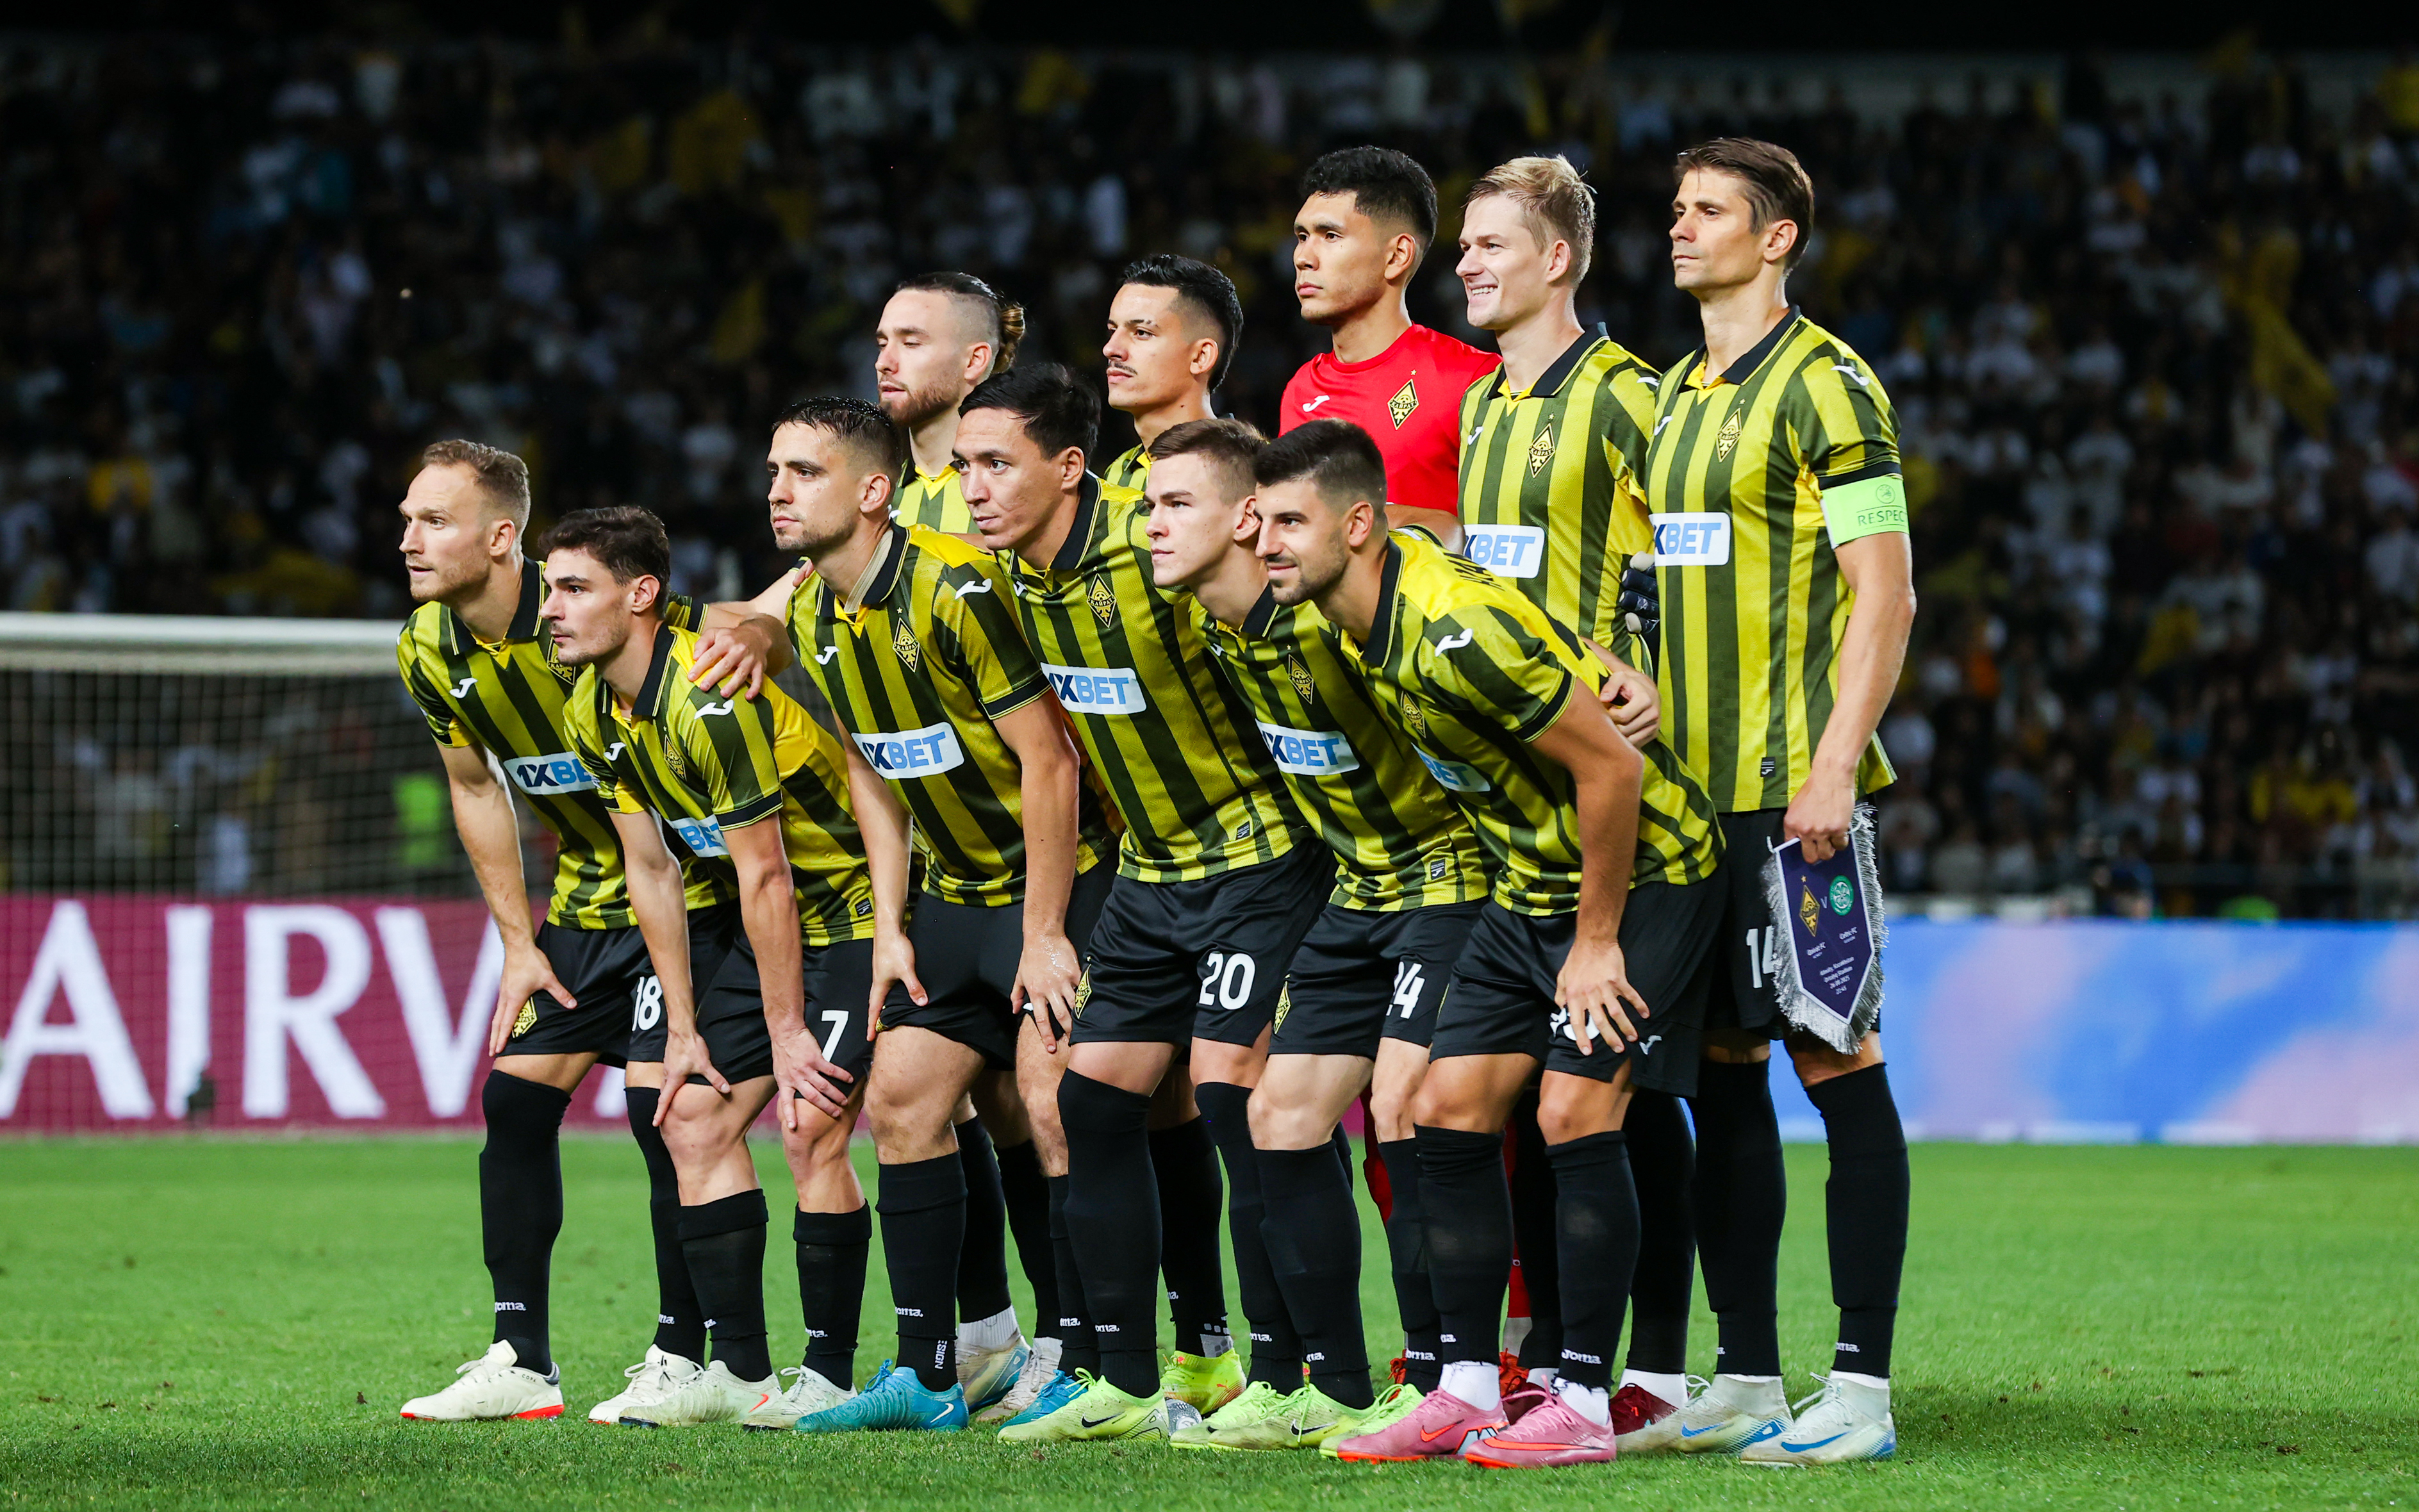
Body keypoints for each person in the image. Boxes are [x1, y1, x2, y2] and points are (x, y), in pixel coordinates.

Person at [1246, 422, 1722, 1469]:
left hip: (1646, 880)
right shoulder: (1364, 600)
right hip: (1527, 883)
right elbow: (1466, 563)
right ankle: (1464, 1388)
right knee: (1438, 1109)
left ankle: (1588, 1401)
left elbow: (1613, 774)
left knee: (1570, 1111)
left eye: (1289, 522)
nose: (1266, 543)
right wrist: (1586, 655)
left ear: (1355, 525)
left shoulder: (1452, 631)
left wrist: (1597, 942)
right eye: (1262, 521)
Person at [729, 397, 1119, 1431]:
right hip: (946, 903)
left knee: (1047, 1107)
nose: (777, 488)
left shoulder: (955, 591)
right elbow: (871, 770)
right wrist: (892, 922)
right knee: (901, 1104)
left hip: (1057, 888)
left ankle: (1082, 1360)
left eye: (803, 472)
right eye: (775, 470)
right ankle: (928, 1374)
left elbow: (1052, 760)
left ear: (871, 491)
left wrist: (1044, 932)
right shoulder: (812, 612)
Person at [964, 363, 1328, 1442]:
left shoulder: (1160, 555)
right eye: (964, 467)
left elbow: (1283, 651)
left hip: (1261, 858)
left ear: (1070, 470)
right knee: (1089, 1103)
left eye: (997, 465)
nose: (974, 488)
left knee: (1231, 1102)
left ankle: (1286, 1373)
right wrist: (1043, 931)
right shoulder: (1021, 583)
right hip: (1152, 876)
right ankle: (1124, 1380)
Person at [1630, 137, 1917, 1466]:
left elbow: (1884, 588)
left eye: (1709, 212)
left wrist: (1833, 762)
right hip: (1685, 804)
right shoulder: (1678, 395)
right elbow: (1655, 585)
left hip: (1794, 790)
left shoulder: (1830, 384)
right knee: (1720, 1077)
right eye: (1676, 209)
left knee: (1834, 1061)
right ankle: (1744, 1370)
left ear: (1780, 235)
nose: (1680, 229)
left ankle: (1858, 1389)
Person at [1141, 416, 1489, 1450]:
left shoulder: (1335, 614)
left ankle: (1440, 1376)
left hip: (1450, 877)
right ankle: (1330, 1386)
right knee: (1277, 1116)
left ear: (1250, 520)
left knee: (1404, 1109)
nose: (1149, 527)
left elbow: (1431, 562)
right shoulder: (1217, 627)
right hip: (1358, 888)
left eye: (1172, 506)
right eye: (1147, 506)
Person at [547, 506, 905, 1430]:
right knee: (694, 1120)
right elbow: (652, 870)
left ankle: (825, 1375)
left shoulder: (707, 692)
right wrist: (683, 1030)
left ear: (641, 595)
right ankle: (741, 1372)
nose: (549, 608)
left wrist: (786, 1033)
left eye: (572, 588)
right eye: (550, 588)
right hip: (762, 927)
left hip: (849, 913)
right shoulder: (591, 705)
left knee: (808, 1122)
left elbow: (768, 873)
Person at [392, 440, 718, 1427]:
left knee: (661, 1117)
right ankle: (521, 1359)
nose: (407, 539)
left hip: (693, 896)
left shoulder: (591, 610)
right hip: (583, 902)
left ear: (503, 540)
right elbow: (473, 786)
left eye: (432, 522)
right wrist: (516, 941)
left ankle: (684, 1355)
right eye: (406, 518)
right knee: (514, 1103)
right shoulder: (426, 646)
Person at [1451, 154, 1701, 1438]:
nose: (1468, 265)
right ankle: (1556, 1361)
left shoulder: (1625, 399)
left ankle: (1642, 1366)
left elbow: (1693, 549)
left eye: (1491, 244)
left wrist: (1653, 668)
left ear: (1561, 258)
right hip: (1514, 818)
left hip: (1626, 804)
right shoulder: (1487, 408)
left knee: (1609, 1101)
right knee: (1525, 1105)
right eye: (1463, 247)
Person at [1282, 146, 1500, 548]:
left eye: (1330, 236)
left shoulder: (1472, 379)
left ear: (1397, 255)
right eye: (1301, 236)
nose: (1302, 257)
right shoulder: (1299, 390)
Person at [877, 273, 1025, 538]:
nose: (883, 363)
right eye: (882, 344)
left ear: (974, 361)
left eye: (911, 343)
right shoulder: (868, 496)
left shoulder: (1026, 490)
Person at [1098, 254, 1244, 491]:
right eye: (1113, 330)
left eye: (1142, 332)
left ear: (1200, 357)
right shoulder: (1115, 476)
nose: (1111, 349)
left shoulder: (1259, 476)